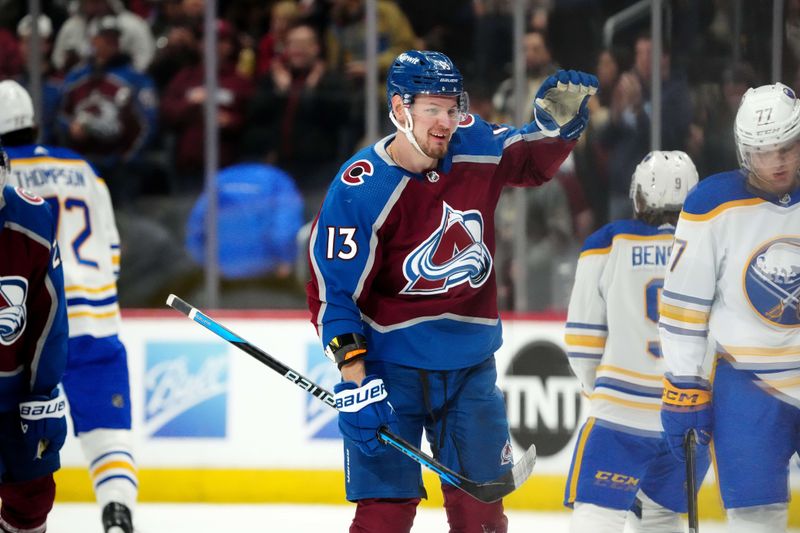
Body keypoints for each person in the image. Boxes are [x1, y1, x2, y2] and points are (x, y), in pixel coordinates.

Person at [306, 50, 596, 532]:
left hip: (467, 369)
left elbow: (525, 157)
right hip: (388, 369)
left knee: (480, 515)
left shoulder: (474, 142)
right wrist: (356, 382)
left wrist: (558, 130)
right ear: (400, 109)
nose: (446, 122)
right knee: (383, 514)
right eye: (432, 109)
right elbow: (333, 293)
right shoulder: (361, 188)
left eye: (451, 107)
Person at [659, 82, 800, 533]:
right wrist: (685, 383)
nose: (776, 161)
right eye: (763, 151)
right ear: (744, 150)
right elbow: (684, 306)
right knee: (756, 521)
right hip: (747, 380)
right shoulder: (711, 204)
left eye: (786, 148)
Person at [0, 80, 138, 533]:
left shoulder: (5, 177)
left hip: (27, 327)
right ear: (35, 123)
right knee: (107, 427)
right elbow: (113, 250)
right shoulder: (81, 167)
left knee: (20, 440)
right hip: (96, 317)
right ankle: (117, 512)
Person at [563, 150, 709, 532]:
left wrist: (596, 389)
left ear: (638, 196)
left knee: (596, 514)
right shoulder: (712, 246)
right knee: (661, 517)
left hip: (620, 412)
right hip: (688, 414)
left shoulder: (608, 242)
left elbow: (582, 340)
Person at [0, 140, 69, 533]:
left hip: (14, 393)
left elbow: (50, 317)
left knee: (31, 499)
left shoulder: (31, 220)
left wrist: (42, 393)